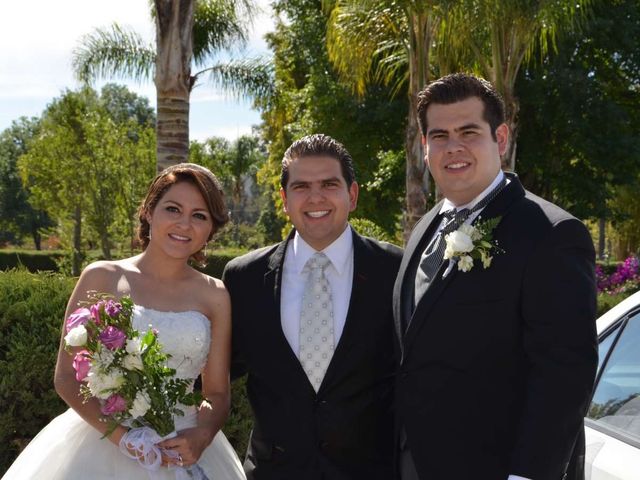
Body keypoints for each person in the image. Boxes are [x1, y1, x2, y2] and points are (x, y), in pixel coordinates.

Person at [393, 73, 598, 480]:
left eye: (469, 132)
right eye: (439, 135)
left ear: (500, 139)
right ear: (424, 146)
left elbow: (564, 375)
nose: (453, 147)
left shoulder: (550, 234)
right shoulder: (423, 228)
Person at [3, 164, 246, 480]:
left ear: (210, 228)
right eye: (173, 209)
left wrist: (202, 435)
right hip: (102, 442)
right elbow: (66, 377)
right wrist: (124, 438)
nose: (184, 224)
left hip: (181, 448)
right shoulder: (102, 277)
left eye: (199, 215)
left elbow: (217, 395)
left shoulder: (215, 295)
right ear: (148, 211)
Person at [222, 134, 402, 480]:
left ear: (352, 194)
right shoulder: (244, 278)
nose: (315, 197)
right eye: (301, 186)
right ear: (284, 200)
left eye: (329, 184)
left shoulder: (395, 270)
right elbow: (216, 373)